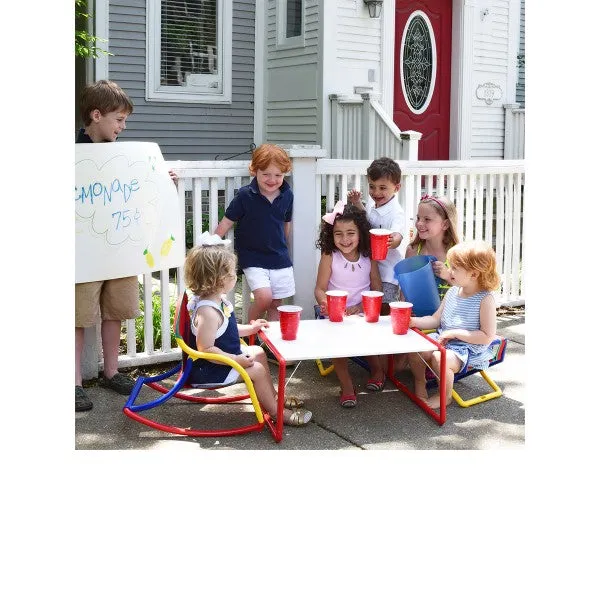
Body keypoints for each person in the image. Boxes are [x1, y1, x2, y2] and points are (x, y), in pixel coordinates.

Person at [75, 80, 178, 412]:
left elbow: (140, 194)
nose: (122, 127)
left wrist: (163, 182)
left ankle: (111, 371)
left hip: (120, 252)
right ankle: (73, 383)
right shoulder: (73, 155)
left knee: (116, 312)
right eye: (118, 120)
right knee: (77, 318)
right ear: (96, 115)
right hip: (83, 255)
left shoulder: (125, 157)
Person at [183, 236, 312, 426]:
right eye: (231, 273)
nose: (235, 275)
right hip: (210, 371)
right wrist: (236, 360)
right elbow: (206, 349)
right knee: (257, 369)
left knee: (258, 352)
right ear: (216, 280)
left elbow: (226, 331)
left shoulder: (217, 301)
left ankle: (273, 397)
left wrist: (251, 328)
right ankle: (278, 413)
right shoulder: (207, 313)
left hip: (222, 361)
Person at [407, 240, 500, 409]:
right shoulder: (452, 292)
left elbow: (487, 336)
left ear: (474, 274)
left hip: (466, 348)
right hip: (444, 338)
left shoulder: (485, 299)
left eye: (455, 268)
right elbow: (436, 319)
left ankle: (444, 396)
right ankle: (420, 383)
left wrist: (456, 333)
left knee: (439, 357)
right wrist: (414, 321)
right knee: (416, 349)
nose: (449, 271)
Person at [314, 202, 385, 408]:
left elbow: (376, 287)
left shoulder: (367, 256)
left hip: (363, 309)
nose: (345, 240)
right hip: (336, 312)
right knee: (337, 342)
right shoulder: (330, 256)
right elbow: (319, 289)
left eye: (350, 233)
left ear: (361, 233)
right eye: (338, 234)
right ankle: (346, 385)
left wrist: (363, 308)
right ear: (331, 235)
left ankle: (377, 370)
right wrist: (326, 304)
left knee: (369, 332)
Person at [214, 143, 294, 323]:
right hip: (253, 257)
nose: (272, 179)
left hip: (279, 257)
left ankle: (270, 342)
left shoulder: (288, 195)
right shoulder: (245, 195)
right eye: (266, 174)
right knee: (264, 298)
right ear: (255, 171)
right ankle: (248, 334)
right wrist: (212, 241)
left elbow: (286, 223)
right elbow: (228, 220)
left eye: (278, 175)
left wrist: (284, 247)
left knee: (276, 303)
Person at [347, 156, 405, 305]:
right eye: (372, 186)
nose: (376, 192)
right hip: (371, 268)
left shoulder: (396, 212)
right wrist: (357, 203)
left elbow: (398, 234)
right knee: (370, 304)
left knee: (385, 304)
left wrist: (393, 240)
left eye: (382, 188)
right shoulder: (374, 206)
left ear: (396, 188)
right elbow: (367, 220)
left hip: (388, 272)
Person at [405, 194, 460, 301]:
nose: (419, 223)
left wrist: (448, 276)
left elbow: (467, 291)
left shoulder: (457, 255)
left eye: (427, 219)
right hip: (419, 316)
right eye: (418, 218)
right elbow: (406, 287)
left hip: (449, 316)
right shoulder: (413, 251)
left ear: (445, 224)